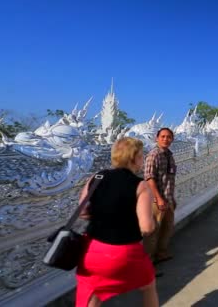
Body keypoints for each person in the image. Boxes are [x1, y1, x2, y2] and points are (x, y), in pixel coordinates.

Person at [76, 137, 158, 307]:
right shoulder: (140, 185)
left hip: (92, 248)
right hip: (124, 252)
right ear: (134, 158)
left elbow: (82, 212)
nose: (142, 160)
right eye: (141, 156)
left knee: (93, 290)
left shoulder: (96, 177)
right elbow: (146, 227)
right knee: (148, 285)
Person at [143, 128, 177, 266]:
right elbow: (149, 178)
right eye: (162, 136)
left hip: (168, 198)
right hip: (156, 200)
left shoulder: (169, 154)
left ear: (172, 139)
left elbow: (169, 177)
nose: (165, 139)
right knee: (153, 232)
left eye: (168, 137)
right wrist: (158, 198)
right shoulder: (154, 155)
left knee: (167, 227)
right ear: (156, 138)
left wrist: (170, 199)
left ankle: (161, 253)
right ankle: (148, 262)